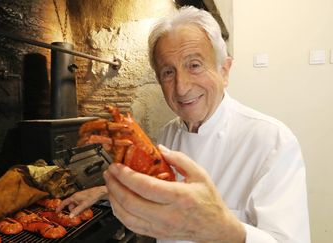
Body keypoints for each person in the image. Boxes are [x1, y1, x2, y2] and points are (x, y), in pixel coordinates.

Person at [57, 6, 311, 243]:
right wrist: (102, 193)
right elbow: (159, 195)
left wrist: (222, 227)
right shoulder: (169, 133)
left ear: (224, 70)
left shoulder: (272, 141)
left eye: (195, 65)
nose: (181, 87)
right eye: (168, 72)